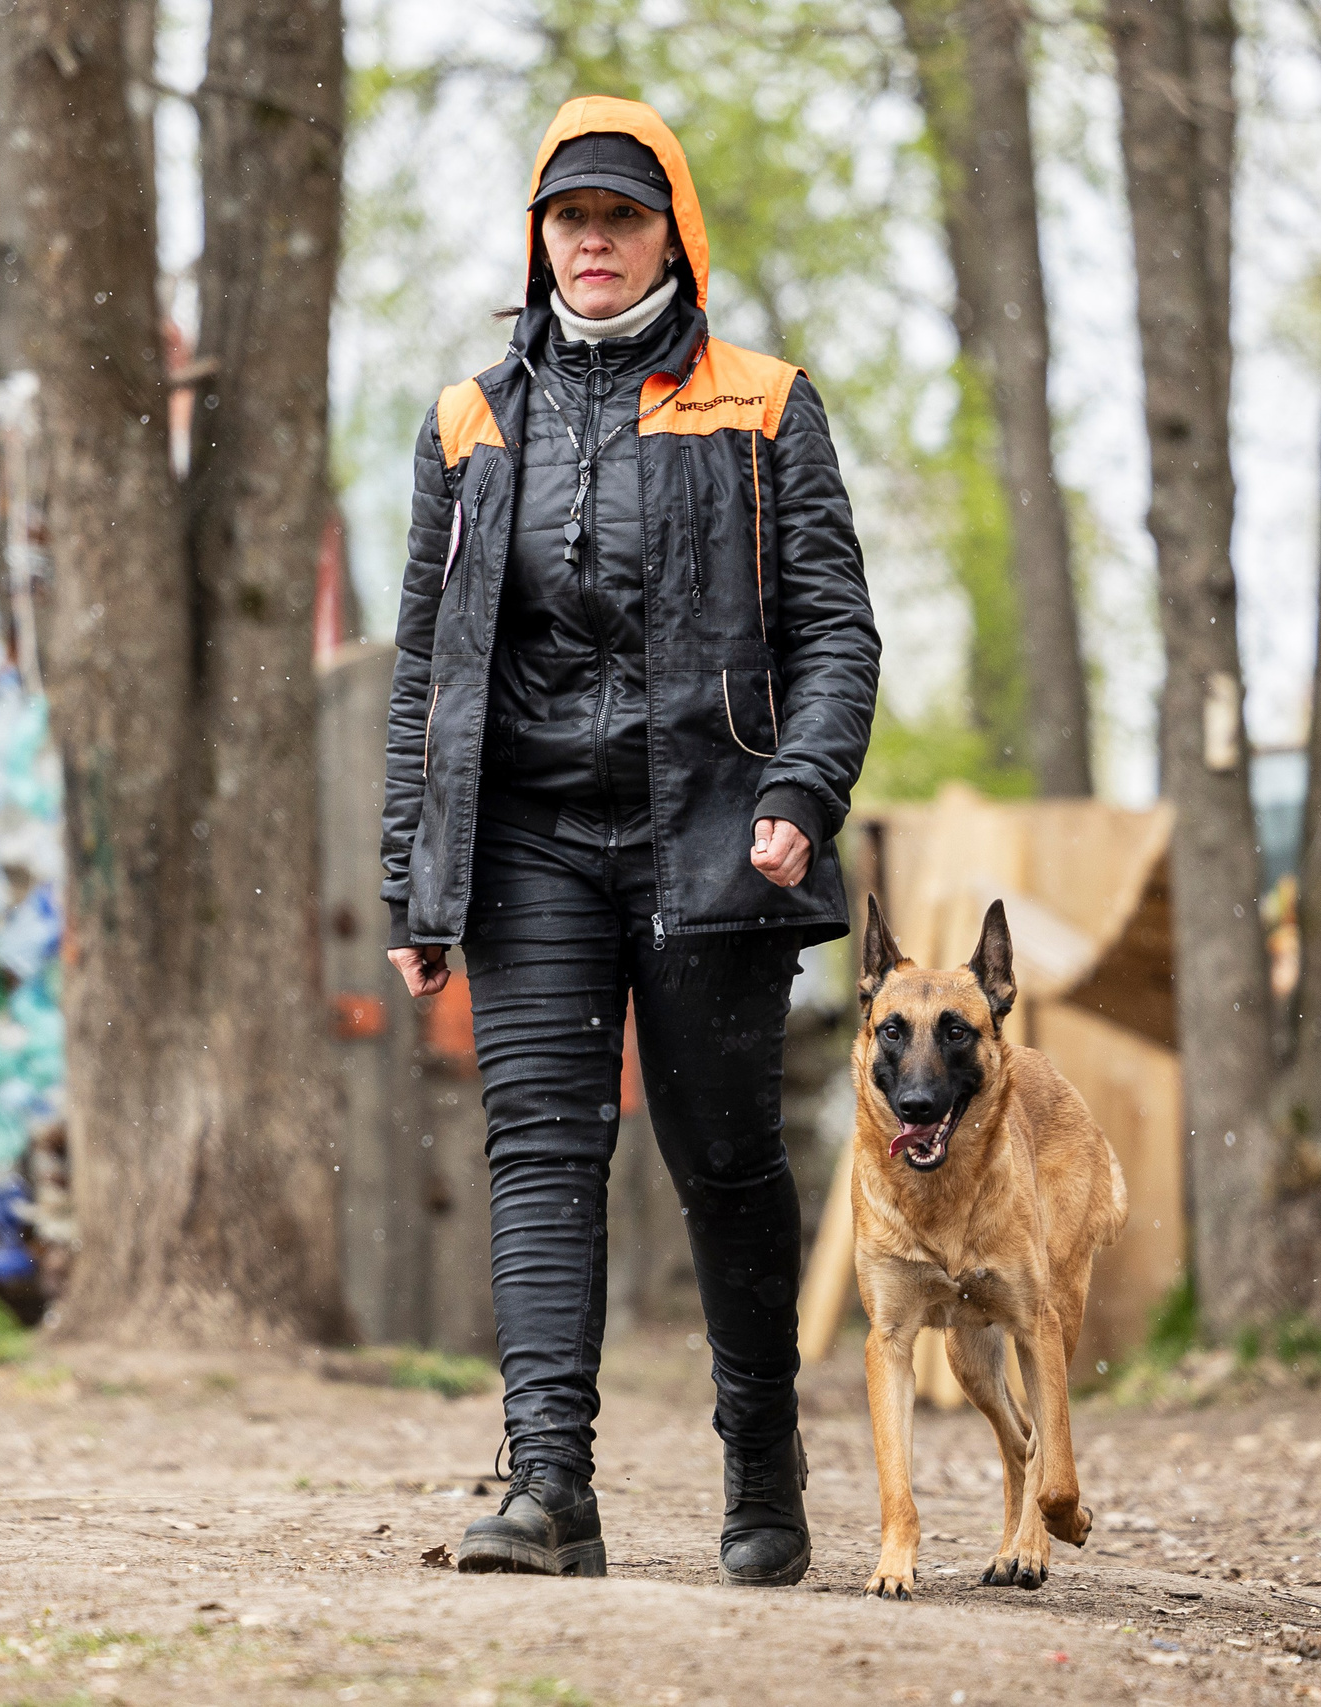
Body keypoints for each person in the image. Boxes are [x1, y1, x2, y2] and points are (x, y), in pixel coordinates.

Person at [380, 97, 880, 1588]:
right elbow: (426, 669)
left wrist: (801, 790)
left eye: (623, 219)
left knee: (727, 1159)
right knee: (540, 1149)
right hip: (532, 841)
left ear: (674, 236)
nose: (594, 244)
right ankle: (549, 1486)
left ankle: (760, 1452)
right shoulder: (469, 424)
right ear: (536, 242)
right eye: (569, 220)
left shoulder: (764, 404)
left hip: (717, 838)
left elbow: (837, 632)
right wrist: (418, 873)